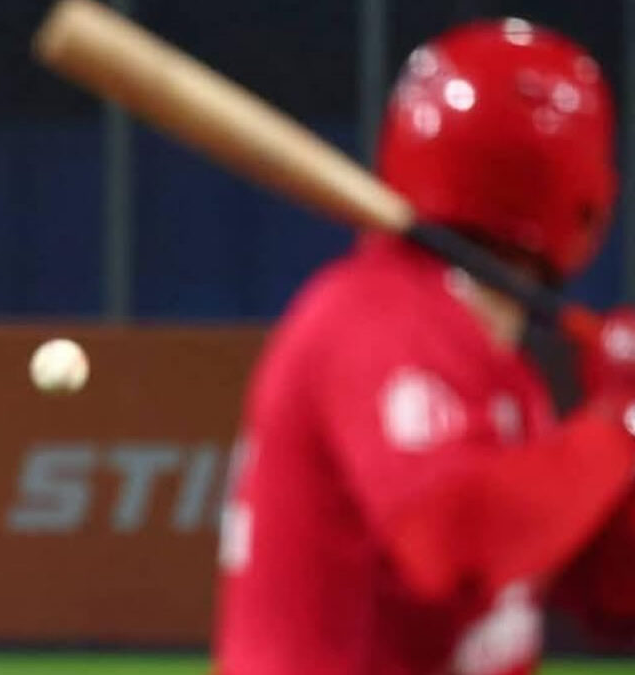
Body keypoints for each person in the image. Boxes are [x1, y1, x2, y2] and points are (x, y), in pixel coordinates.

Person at [214, 19, 635, 675]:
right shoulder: (377, 315)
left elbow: (610, 595)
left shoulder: (498, 365)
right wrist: (619, 425)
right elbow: (453, 546)